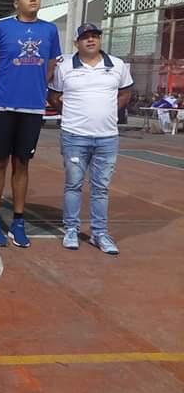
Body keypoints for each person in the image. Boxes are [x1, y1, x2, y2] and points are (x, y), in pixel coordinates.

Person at [0, 0, 61, 249]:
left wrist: (35, 87)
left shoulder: (50, 30)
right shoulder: (1, 28)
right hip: (3, 105)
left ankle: (18, 221)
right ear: (16, 3)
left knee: (22, 163)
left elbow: (50, 66)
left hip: (32, 107)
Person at [48, 23, 133, 255]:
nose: (91, 40)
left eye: (95, 36)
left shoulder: (117, 65)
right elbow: (54, 96)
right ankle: (71, 229)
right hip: (74, 136)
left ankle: (99, 233)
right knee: (73, 184)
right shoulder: (65, 66)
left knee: (101, 188)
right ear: (76, 42)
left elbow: (126, 92)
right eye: (85, 37)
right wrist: (70, 114)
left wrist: (111, 111)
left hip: (107, 138)